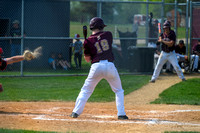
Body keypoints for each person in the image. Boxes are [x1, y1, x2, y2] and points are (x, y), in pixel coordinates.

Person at [70, 17, 128, 120]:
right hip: (110, 66)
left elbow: (87, 59)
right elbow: (101, 42)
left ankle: (75, 112)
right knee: (118, 90)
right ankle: (121, 114)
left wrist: (86, 48)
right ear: (101, 26)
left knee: (86, 90)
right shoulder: (108, 34)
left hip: (96, 67)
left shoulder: (87, 41)